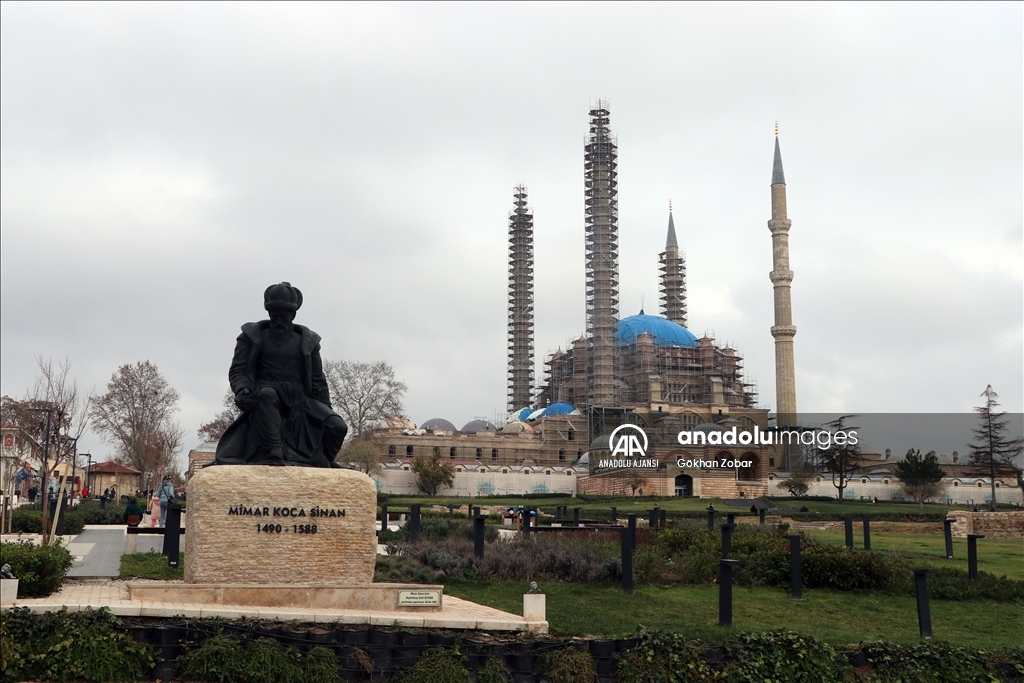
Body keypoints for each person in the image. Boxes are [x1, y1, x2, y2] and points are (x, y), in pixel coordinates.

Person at [215, 282, 348, 468]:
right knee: (266, 395)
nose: (278, 321)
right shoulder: (252, 337)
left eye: (283, 317)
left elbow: (318, 380)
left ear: (292, 316)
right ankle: (274, 450)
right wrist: (242, 390)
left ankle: (323, 459)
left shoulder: (308, 342)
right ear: (269, 314)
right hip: (267, 392)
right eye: (274, 316)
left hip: (301, 399)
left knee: (338, 426)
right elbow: (239, 370)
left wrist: (326, 409)